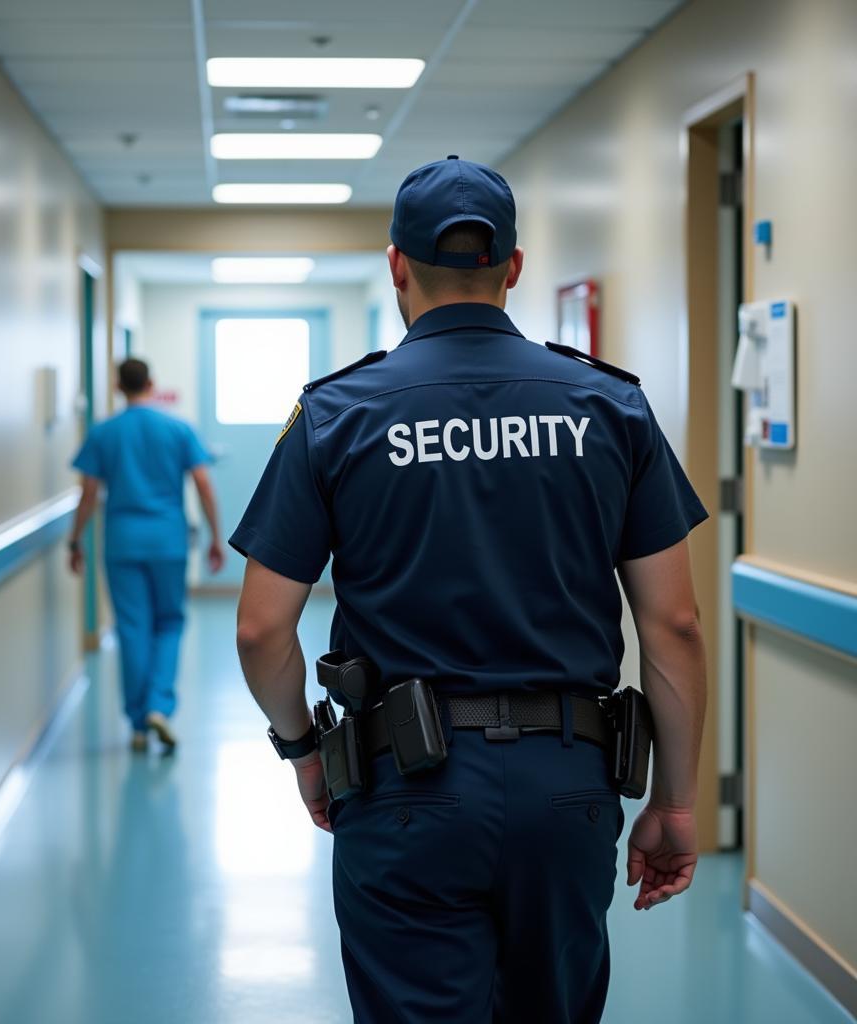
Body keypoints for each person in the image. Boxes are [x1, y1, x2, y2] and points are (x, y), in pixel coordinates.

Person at [231, 155, 708, 1023]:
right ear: (514, 268)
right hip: (568, 787)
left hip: (404, 793)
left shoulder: (338, 414)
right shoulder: (610, 407)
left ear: (397, 266)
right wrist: (674, 801)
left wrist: (305, 753)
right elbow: (673, 623)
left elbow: (263, 630)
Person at [69, 357, 224, 752]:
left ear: (119, 387)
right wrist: (216, 537)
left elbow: (88, 493)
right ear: (151, 384)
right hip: (167, 541)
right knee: (169, 622)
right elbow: (204, 484)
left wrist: (74, 539)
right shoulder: (177, 428)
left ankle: (138, 723)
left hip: (122, 543)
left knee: (132, 627)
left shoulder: (104, 432)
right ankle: (159, 705)